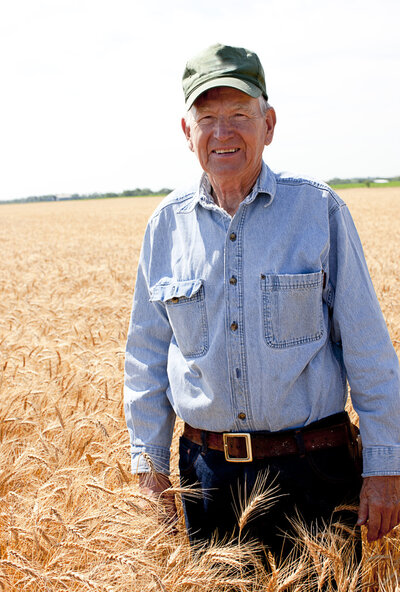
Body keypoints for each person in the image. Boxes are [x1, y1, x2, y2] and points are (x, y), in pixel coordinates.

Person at [124, 43, 400, 557]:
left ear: (268, 124)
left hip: (313, 473)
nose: (222, 133)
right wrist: (150, 467)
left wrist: (385, 465)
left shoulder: (318, 210)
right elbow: (145, 356)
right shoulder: (166, 226)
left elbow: (368, 348)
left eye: (239, 115)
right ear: (187, 133)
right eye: (207, 118)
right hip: (206, 483)